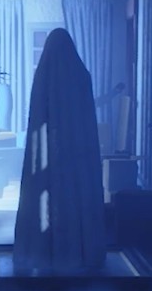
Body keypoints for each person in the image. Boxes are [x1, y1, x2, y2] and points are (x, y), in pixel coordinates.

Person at [13, 28, 106, 274]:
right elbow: (87, 123)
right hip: (77, 157)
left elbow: (37, 121)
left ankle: (42, 252)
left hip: (47, 155)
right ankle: (79, 252)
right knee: (76, 199)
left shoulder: (43, 76)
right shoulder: (81, 76)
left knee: (45, 199)